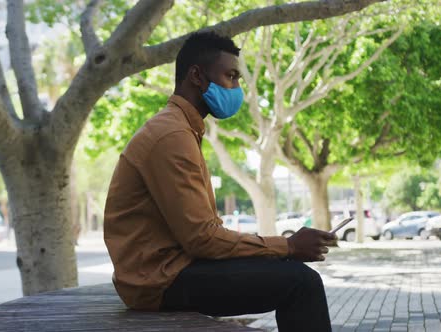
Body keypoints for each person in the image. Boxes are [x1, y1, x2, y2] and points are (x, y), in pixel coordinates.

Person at [104, 32, 337, 332]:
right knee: (301, 282)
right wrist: (288, 245)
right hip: (159, 281)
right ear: (197, 76)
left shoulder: (180, 130)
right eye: (231, 76)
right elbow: (203, 239)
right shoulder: (172, 136)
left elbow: (202, 236)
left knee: (289, 272)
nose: (236, 88)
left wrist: (282, 250)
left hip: (172, 270)